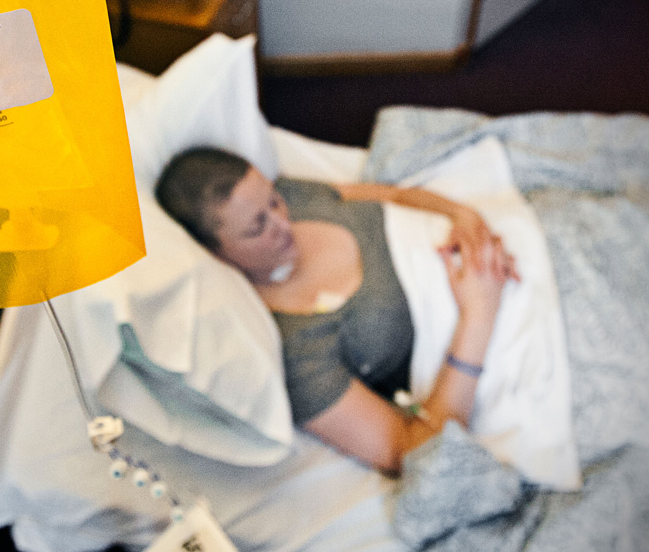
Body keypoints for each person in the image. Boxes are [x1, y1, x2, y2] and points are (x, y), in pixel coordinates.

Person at [155, 147, 519, 476]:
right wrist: (479, 314)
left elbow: (395, 195)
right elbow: (415, 452)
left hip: (510, 245)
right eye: (257, 227)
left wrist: (463, 215)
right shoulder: (296, 348)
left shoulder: (297, 197)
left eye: (274, 201)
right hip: (505, 336)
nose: (283, 223)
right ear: (215, 256)